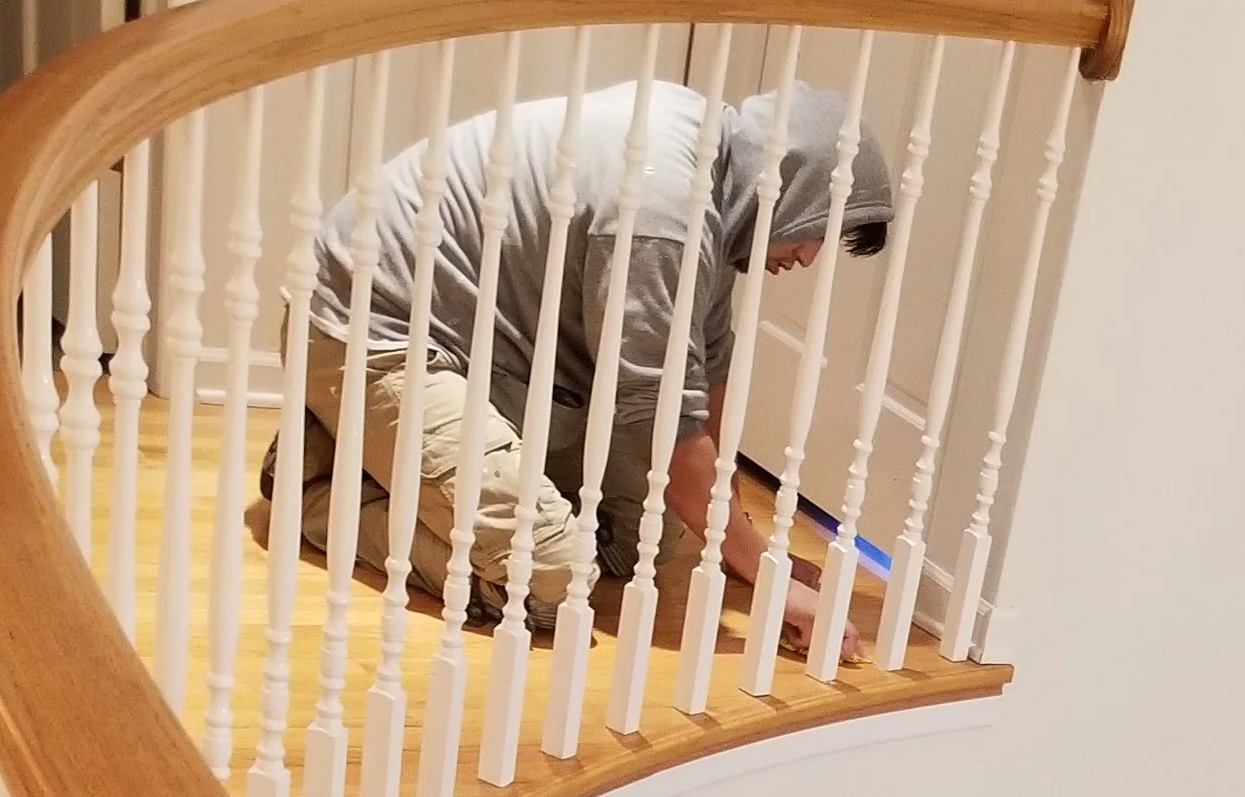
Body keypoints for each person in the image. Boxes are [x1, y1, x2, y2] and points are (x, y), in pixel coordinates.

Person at [298, 79, 891, 654]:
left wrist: (742, 543)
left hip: (492, 351)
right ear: (790, 180)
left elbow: (706, 371)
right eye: (818, 230)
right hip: (376, 328)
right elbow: (664, 415)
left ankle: (380, 446)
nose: (809, 256)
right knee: (547, 576)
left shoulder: (715, 179)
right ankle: (319, 484)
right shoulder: (664, 211)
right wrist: (767, 576)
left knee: (641, 548)